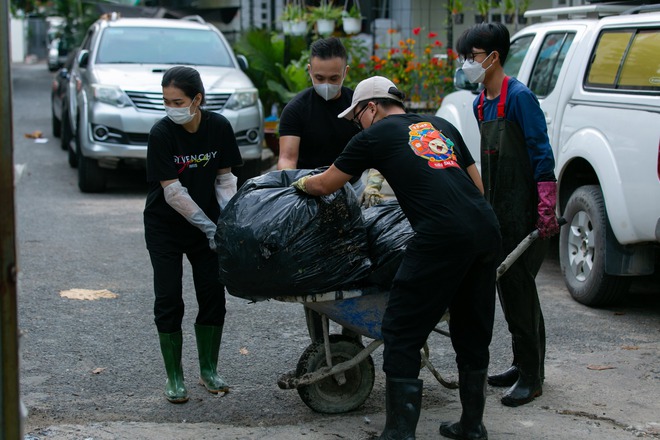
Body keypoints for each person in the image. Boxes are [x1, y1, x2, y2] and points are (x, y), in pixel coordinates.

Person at [291, 76, 502, 440]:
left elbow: (325, 184)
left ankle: (399, 433)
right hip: (485, 229)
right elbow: (478, 187)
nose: (358, 125)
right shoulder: (441, 125)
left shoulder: (373, 135)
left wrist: (297, 184)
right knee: (471, 329)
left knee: (401, 332)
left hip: (440, 237)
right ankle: (472, 426)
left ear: (370, 107)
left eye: (357, 118)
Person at [455, 22, 560, 410]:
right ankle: (522, 364)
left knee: (519, 287)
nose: (467, 64)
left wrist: (546, 201)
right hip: (499, 208)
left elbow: (539, 148)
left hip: (527, 207)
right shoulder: (481, 102)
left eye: (472, 57)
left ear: (494, 56)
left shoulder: (520, 98)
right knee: (510, 288)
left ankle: (532, 377)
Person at [143, 66, 243, 403]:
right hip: (166, 226)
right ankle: (174, 377)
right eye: (166, 101)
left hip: (209, 227)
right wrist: (210, 228)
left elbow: (225, 179)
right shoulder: (161, 134)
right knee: (169, 297)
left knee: (213, 294)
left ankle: (208, 370)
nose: (171, 107)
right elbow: (173, 193)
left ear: (197, 99)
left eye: (178, 101)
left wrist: (227, 222)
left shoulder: (219, 127)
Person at [277, 36, 375, 341]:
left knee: (356, 267)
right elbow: (287, 160)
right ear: (309, 71)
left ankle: (352, 338)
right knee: (314, 275)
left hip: (356, 194)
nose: (327, 84)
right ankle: (319, 343)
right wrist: (297, 192)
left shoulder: (358, 108)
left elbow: (378, 147)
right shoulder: (296, 110)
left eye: (334, 78)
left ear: (346, 72)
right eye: (319, 78)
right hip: (313, 196)